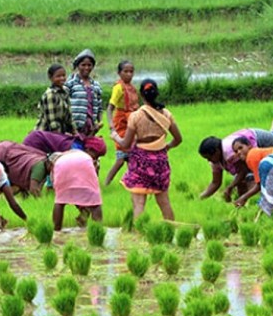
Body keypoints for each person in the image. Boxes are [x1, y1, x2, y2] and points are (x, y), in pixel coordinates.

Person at [111, 79, 182, 220]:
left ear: (141, 96)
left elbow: (125, 144)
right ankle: (171, 231)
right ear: (157, 94)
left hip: (140, 162)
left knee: (139, 203)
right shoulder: (166, 114)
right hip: (160, 162)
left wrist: (115, 136)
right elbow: (178, 139)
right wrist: (166, 147)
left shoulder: (136, 116)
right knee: (164, 202)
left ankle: (139, 234)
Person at [198, 128, 273, 201]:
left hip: (265, 142)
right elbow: (216, 182)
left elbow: (244, 171)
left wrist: (230, 187)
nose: (208, 160)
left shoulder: (229, 151)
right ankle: (244, 204)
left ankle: (258, 201)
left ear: (216, 152)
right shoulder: (215, 161)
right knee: (240, 182)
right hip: (250, 150)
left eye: (209, 157)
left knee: (251, 178)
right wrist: (200, 198)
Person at [105, 60, 139, 186]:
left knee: (133, 157)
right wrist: (111, 125)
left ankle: (129, 181)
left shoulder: (132, 88)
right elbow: (110, 108)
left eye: (131, 72)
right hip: (121, 124)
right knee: (121, 159)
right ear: (119, 73)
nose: (129, 74)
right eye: (126, 71)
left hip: (132, 122)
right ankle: (107, 183)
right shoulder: (118, 88)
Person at [49, 150, 103, 230]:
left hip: (62, 165)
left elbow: (55, 185)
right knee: (95, 203)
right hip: (84, 160)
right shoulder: (79, 154)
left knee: (60, 201)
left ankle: (56, 229)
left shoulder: (57, 161)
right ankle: (98, 230)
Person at [229, 138, 273, 207]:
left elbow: (259, 185)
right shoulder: (255, 153)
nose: (239, 152)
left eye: (241, 148)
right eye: (236, 151)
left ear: (249, 146)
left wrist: (243, 197)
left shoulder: (251, 156)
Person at [66, 49, 103, 136]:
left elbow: (99, 106)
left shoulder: (96, 86)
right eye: (83, 65)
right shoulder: (71, 83)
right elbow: (63, 104)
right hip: (73, 126)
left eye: (89, 65)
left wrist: (99, 122)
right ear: (78, 66)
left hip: (90, 127)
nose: (86, 68)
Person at [35, 64, 76, 134]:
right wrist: (59, 137)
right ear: (50, 78)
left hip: (61, 132)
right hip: (46, 133)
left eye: (63, 75)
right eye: (58, 76)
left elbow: (69, 116)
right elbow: (53, 122)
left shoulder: (65, 91)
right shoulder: (50, 94)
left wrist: (75, 131)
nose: (62, 78)